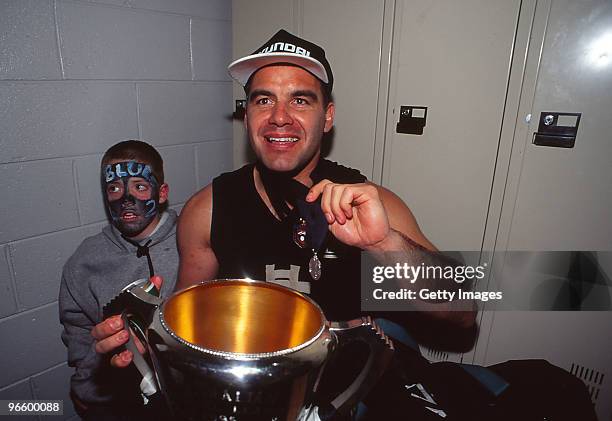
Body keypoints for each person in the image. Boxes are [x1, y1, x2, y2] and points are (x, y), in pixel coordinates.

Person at [59, 140, 179, 420]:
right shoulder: (84, 261)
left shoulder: (191, 243)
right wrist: (91, 388)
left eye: (139, 186)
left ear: (161, 193)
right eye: (114, 188)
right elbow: (78, 333)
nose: (126, 199)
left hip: (185, 397)